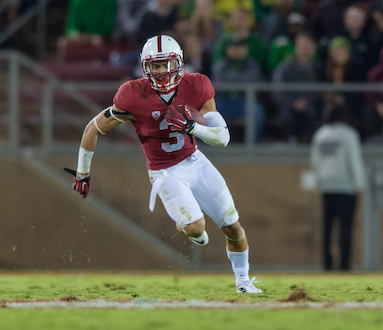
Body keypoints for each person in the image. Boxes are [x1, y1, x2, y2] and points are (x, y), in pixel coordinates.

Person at [66, 34, 262, 293]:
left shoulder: (197, 84)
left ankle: (243, 282)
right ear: (144, 66)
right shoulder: (133, 94)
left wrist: (192, 127)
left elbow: (223, 138)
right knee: (195, 228)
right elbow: (92, 128)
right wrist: (83, 172)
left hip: (195, 161)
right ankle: (184, 223)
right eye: (154, 65)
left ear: (179, 62)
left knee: (233, 226)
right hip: (164, 171)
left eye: (166, 64)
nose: (160, 71)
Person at [310, 100, 365, 271]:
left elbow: (315, 162)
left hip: (327, 186)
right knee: (345, 229)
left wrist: (318, 183)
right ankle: (344, 265)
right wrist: (358, 184)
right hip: (346, 187)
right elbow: (353, 162)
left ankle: (327, 263)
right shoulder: (349, 135)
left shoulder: (320, 135)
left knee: (327, 229)